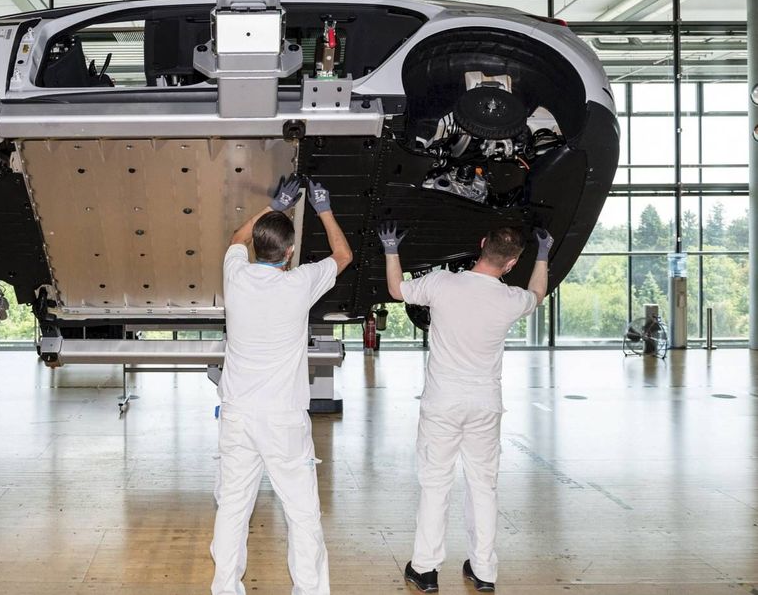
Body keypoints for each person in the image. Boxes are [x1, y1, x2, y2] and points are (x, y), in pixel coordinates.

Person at [377, 223, 553, 593]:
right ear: (511, 263)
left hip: (443, 403)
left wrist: (391, 248)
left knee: (435, 484)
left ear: (482, 243)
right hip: (485, 406)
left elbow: (396, 290)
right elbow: (538, 292)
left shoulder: (442, 284)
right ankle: (484, 571)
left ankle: (425, 570)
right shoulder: (509, 299)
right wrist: (543, 254)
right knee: (483, 486)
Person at [211, 174, 353, 595]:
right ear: (289, 253)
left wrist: (274, 207)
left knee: (232, 508)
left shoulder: (235, 275)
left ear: (257, 247)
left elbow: (237, 237)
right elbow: (343, 255)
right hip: (283, 421)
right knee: (302, 512)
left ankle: (225, 589)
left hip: (237, 415)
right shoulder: (299, 283)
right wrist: (323, 209)